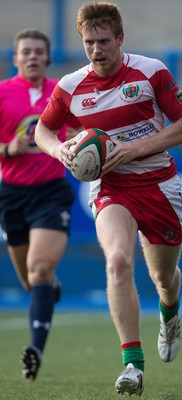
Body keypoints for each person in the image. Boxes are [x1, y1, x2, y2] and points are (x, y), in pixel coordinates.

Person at [35, 2, 182, 396]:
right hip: (111, 187)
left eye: (104, 41)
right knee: (119, 260)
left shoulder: (150, 71)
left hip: (158, 184)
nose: (96, 50)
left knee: (163, 278)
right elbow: (43, 130)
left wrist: (135, 148)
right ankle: (132, 365)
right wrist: (60, 151)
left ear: (120, 39)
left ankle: (169, 312)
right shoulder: (71, 87)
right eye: (89, 42)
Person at [0, 28, 81, 381]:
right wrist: (7, 149)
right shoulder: (2, 94)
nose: (32, 56)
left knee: (39, 270)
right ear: (15, 58)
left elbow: (84, 130)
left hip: (51, 192)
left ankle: (35, 349)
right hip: (11, 195)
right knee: (31, 281)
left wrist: (79, 146)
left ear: (48, 58)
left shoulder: (62, 93)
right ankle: (49, 286)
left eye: (38, 51)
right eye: (26, 52)